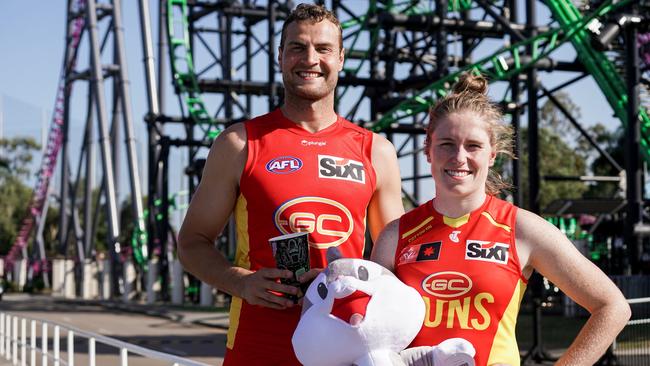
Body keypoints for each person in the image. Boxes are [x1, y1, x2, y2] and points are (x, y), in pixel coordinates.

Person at [177, 3, 404, 365]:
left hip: (346, 348)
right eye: (297, 47)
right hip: (258, 347)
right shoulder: (239, 144)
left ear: (341, 58)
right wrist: (241, 283)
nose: (310, 58)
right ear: (280, 56)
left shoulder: (376, 151)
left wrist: (351, 282)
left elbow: (396, 263)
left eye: (323, 49)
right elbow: (191, 243)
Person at [371, 72, 631, 366]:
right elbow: (370, 330)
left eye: (473, 146)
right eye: (446, 144)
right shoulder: (396, 234)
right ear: (428, 150)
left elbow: (613, 307)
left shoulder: (521, 229)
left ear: (492, 154)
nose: (459, 156)